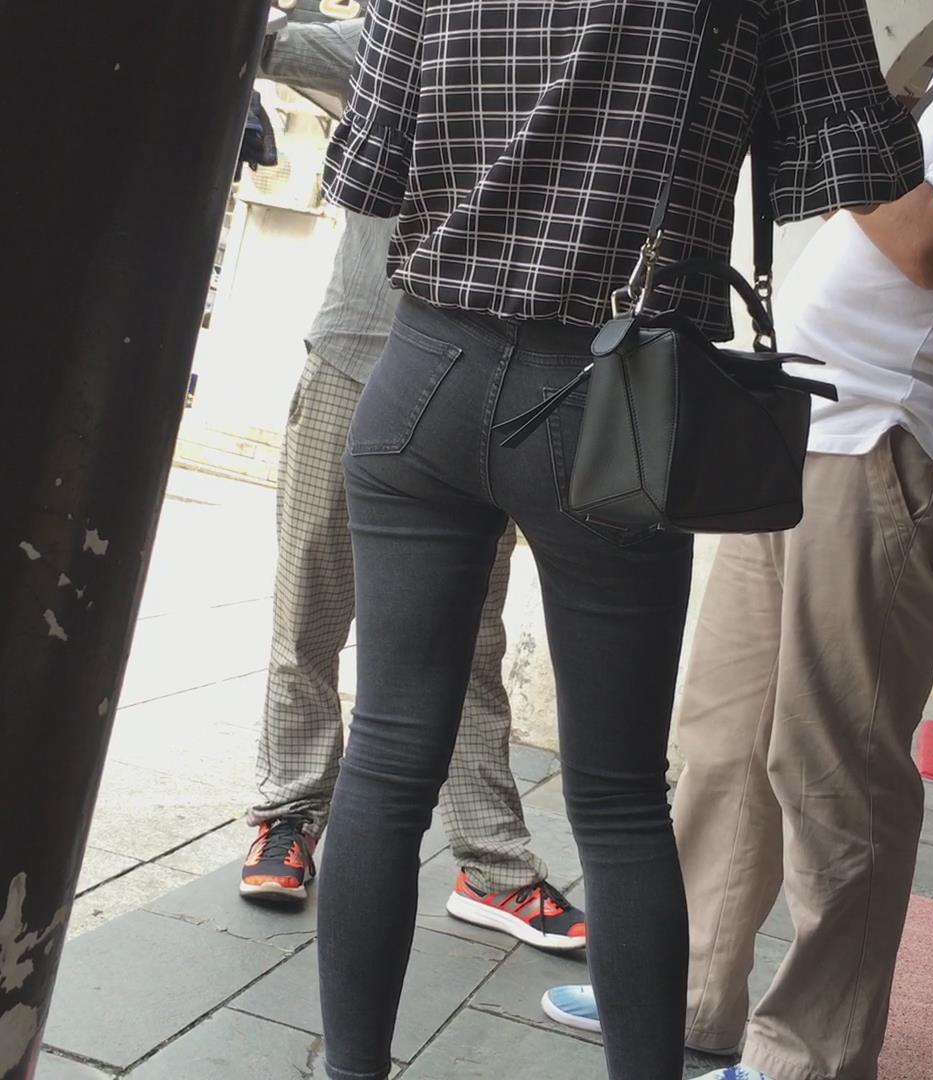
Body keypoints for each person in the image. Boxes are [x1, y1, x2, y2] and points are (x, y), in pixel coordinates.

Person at [540, 2, 933, 1078]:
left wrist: (833, 113)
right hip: (807, 428)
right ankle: (684, 995)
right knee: (724, 736)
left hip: (896, 439)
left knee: (833, 767)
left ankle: (812, 1057)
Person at [312, 1, 921, 1077]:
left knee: (388, 758)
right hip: (618, 399)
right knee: (619, 795)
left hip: (423, 374)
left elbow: (366, 172)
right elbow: (865, 165)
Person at [238, 9, 589, 953]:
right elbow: (261, 39)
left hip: (474, 382)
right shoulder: (401, 32)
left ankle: (493, 865)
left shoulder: (568, 46)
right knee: (310, 603)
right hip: (355, 359)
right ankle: (287, 816)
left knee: (469, 636)